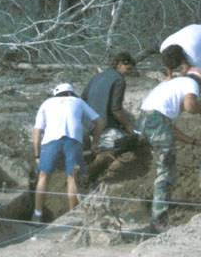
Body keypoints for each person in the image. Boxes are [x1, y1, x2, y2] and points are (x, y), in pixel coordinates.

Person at [137, 66, 201, 234]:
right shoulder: (192, 83)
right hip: (157, 121)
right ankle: (158, 222)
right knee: (166, 173)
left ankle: (160, 209)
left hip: (145, 120)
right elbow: (191, 105)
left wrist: (194, 142)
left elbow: (167, 128)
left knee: (164, 169)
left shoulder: (171, 85)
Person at [31, 83, 104, 224]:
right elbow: (99, 122)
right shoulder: (78, 101)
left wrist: (37, 155)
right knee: (72, 178)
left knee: (43, 176)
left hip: (50, 142)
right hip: (73, 142)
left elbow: (37, 131)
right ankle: (72, 217)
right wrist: (94, 144)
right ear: (70, 93)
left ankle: (37, 216)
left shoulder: (47, 103)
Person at [82, 52, 138, 153]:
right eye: (128, 69)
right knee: (130, 143)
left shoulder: (97, 77)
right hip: (105, 130)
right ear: (120, 64)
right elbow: (116, 110)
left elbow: (82, 100)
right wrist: (128, 127)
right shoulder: (119, 80)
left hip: (88, 128)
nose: (128, 73)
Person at [159, 23, 201, 97]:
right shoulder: (164, 47)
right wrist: (169, 76)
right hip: (194, 36)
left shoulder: (193, 56)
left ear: (183, 58)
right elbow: (168, 63)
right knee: (185, 73)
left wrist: (193, 93)